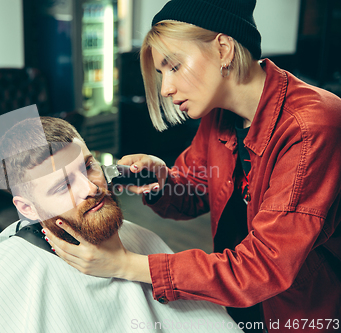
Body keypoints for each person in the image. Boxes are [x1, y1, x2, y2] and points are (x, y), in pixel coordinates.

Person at [43, 1, 341, 332]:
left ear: (224, 49)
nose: (166, 89)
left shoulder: (311, 126)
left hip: (299, 313)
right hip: (235, 301)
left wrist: (125, 265)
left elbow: (265, 267)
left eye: (174, 67)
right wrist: (162, 180)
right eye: (161, 74)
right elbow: (195, 191)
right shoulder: (219, 115)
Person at [0, 116, 241, 333]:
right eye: (62, 186)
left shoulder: (140, 240)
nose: (90, 188)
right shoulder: (4, 280)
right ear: (27, 208)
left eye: (89, 167)